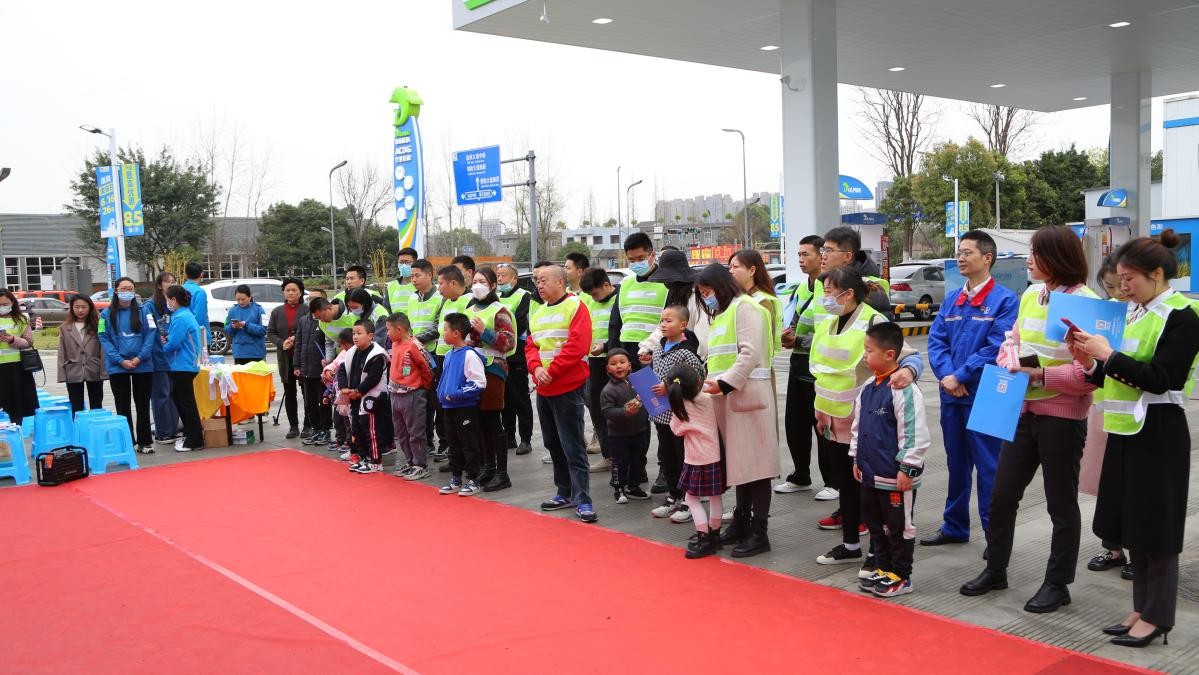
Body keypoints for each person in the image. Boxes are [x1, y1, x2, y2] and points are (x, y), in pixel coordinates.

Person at [960, 225, 1097, 614]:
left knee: (1060, 504)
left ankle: (1057, 583)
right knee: (1002, 495)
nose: (1029, 260)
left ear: (1057, 257)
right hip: (1021, 410)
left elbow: (1089, 376)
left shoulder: (1086, 303)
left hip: (1061, 416)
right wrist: (1009, 358)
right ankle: (996, 567)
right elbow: (1012, 341)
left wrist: (1039, 376)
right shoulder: (1031, 295)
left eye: (1036, 253)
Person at [1071, 231, 1197, 647]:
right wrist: (1090, 362)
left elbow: (1164, 379)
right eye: (1120, 278)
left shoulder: (1182, 316)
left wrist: (1108, 356)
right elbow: (1117, 376)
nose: (1122, 286)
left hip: (1159, 431)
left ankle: (1158, 615)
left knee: (1157, 529)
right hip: (1126, 430)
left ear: (1158, 274)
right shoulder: (1136, 313)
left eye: (1130, 278)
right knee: (1135, 526)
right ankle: (1142, 607)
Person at [811, 267, 924, 574]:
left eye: (829, 292)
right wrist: (819, 412)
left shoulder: (874, 320)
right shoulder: (828, 323)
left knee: (870, 492)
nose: (825, 298)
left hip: (867, 422)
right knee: (845, 486)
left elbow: (910, 355)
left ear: (848, 294)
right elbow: (822, 371)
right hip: (831, 420)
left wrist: (908, 372)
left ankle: (878, 552)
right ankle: (849, 545)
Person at [923, 231, 1019, 550]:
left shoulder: (1005, 300)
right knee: (957, 464)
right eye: (959, 252)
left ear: (987, 258)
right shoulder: (953, 299)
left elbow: (998, 346)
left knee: (991, 468)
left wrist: (962, 374)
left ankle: (996, 537)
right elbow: (936, 341)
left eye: (967, 252)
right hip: (954, 393)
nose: (961, 258)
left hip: (989, 393)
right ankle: (955, 526)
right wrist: (949, 375)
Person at [695, 264, 777, 558]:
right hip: (725, 397)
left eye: (708, 292)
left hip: (746, 396)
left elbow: (750, 352)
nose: (706, 298)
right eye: (702, 295)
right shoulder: (722, 313)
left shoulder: (747, 308)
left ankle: (759, 531)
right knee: (740, 465)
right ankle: (742, 521)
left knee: (757, 467)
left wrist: (727, 383)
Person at [851, 322, 930, 597]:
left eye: (869, 350)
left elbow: (914, 432)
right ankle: (883, 568)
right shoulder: (869, 386)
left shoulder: (904, 390)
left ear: (889, 354)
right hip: (871, 473)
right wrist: (856, 459)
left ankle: (902, 575)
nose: (864, 355)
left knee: (899, 526)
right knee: (876, 524)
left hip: (895, 475)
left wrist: (908, 468)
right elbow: (858, 427)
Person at [527, 264, 596, 523]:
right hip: (544, 387)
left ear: (560, 282)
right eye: (536, 281)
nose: (539, 285)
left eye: (543, 280)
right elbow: (531, 345)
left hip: (567, 386)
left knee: (573, 445)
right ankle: (563, 492)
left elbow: (577, 345)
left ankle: (583, 499)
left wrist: (551, 371)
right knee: (553, 443)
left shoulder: (576, 306)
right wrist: (536, 369)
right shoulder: (539, 312)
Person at [642, 249, 712, 494]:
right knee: (665, 433)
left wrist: (691, 362)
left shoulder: (695, 298)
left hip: (686, 370)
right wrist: (647, 347)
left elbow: (702, 339)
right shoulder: (673, 295)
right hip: (666, 374)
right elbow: (662, 327)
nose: (668, 283)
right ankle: (671, 483)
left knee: (683, 437)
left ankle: (688, 490)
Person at [1082, 256, 1132, 581]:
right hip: (1104, 408)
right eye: (1109, 287)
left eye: (1121, 285)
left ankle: (1138, 549)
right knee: (1106, 483)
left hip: (1137, 415)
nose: (1116, 294)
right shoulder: (1105, 313)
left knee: (1134, 487)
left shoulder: (1145, 316)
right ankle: (1112, 547)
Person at [778, 235, 830, 496]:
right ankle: (801, 475)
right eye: (798, 254)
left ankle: (832, 482)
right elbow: (794, 319)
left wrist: (797, 338)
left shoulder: (828, 287)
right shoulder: (801, 288)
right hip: (798, 361)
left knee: (821, 423)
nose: (800, 259)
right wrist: (789, 336)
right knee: (794, 421)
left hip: (819, 364)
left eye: (805, 254)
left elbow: (829, 330)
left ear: (822, 256)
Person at [647, 305, 706, 521]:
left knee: (684, 457)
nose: (663, 324)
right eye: (662, 320)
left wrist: (670, 384)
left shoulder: (686, 351)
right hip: (661, 415)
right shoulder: (659, 347)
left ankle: (691, 500)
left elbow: (695, 378)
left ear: (683, 325)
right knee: (668, 457)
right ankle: (674, 495)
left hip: (680, 415)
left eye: (669, 320)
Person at [465, 267, 517, 491]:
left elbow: (508, 343)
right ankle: (488, 466)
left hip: (493, 369)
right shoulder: (470, 307)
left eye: (482, 281)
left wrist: (484, 331)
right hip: (472, 370)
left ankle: (502, 473)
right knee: (481, 421)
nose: (477, 285)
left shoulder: (500, 310)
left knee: (493, 419)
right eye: (475, 281)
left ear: (493, 285)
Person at [666, 364, 724, 559]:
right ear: (698, 382)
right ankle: (715, 534)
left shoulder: (680, 407)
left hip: (696, 458)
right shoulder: (710, 399)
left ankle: (703, 536)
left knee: (691, 498)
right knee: (715, 496)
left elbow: (676, 430)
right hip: (716, 455)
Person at [99, 277, 156, 453]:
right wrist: (120, 360)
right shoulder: (105, 314)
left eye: (130, 288)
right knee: (122, 405)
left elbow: (151, 334)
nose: (127, 291)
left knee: (142, 404)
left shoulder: (144, 310)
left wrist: (140, 357)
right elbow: (103, 337)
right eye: (123, 288)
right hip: (118, 366)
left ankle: (145, 442)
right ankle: (126, 442)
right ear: (116, 290)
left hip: (143, 365)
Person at [436, 313, 486, 496]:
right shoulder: (449, 354)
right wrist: (442, 395)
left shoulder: (470, 355)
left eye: (446, 329)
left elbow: (479, 383)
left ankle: (473, 479)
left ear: (456, 333)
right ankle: (456, 478)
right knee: (453, 443)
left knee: (469, 443)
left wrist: (456, 394)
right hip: (449, 408)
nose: (443, 332)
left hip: (465, 407)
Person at [426, 266, 471, 471]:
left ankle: (465, 458)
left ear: (453, 283)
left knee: (460, 410)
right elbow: (438, 328)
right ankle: (453, 454)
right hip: (443, 358)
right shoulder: (445, 302)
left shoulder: (469, 301)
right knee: (443, 407)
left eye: (441, 283)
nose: (439, 287)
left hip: (461, 361)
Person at [608, 232, 668, 371]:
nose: (636, 264)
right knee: (627, 392)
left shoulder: (666, 283)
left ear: (652, 255)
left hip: (654, 353)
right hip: (626, 352)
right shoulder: (625, 283)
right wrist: (613, 353)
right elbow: (615, 323)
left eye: (641, 258)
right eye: (632, 260)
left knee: (649, 392)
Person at [386, 312, 434, 480]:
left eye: (389, 329)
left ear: (399, 329)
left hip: (412, 394)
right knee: (401, 432)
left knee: (415, 431)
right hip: (395, 394)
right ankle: (410, 461)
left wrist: (421, 387)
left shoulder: (414, 345)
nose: (387, 333)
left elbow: (428, 368)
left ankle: (420, 464)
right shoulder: (395, 344)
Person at [341, 319, 392, 474]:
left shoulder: (377, 354)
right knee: (357, 428)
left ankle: (375, 461)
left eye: (359, 333)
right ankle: (363, 458)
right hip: (355, 397)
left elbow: (373, 378)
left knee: (371, 430)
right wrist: (344, 388)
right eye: (353, 333)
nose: (355, 336)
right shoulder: (352, 352)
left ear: (370, 335)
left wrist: (359, 391)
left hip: (372, 398)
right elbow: (342, 370)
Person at [600, 349, 650, 504]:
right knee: (620, 462)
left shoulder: (638, 382)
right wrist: (624, 411)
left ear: (629, 365)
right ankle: (619, 488)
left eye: (622, 362)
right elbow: (607, 412)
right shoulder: (608, 390)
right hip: (618, 434)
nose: (618, 366)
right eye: (613, 364)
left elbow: (650, 393)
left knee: (638, 460)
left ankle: (634, 486)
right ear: (608, 368)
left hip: (640, 430)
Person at [581, 267, 618, 473]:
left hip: (617, 360)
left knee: (621, 410)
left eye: (595, 293)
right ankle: (608, 455)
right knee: (597, 408)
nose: (593, 299)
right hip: (594, 362)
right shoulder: (588, 301)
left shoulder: (620, 299)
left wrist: (606, 346)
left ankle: (624, 456)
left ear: (606, 285)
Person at [311, 297, 359, 453]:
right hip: (340, 363)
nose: (321, 321)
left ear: (329, 308)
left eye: (321, 316)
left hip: (355, 362)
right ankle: (342, 438)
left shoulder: (352, 315)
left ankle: (353, 441)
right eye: (318, 318)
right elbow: (330, 342)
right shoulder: (322, 322)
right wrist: (329, 360)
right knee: (339, 406)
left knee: (351, 410)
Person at [161, 285, 204, 453]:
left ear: (173, 300)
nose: (167, 303)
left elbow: (173, 343)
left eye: (168, 299)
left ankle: (195, 439)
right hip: (184, 364)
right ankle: (190, 435)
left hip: (182, 365)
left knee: (186, 403)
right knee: (182, 400)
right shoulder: (184, 315)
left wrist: (162, 344)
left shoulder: (181, 318)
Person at [497, 263, 535, 456]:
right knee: (504, 399)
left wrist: (499, 335)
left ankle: (526, 438)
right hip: (500, 355)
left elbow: (519, 323)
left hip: (517, 355)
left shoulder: (524, 296)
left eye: (503, 276)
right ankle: (509, 436)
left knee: (520, 397)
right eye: (498, 276)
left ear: (514, 278)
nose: (500, 279)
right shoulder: (496, 298)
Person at [267, 278, 308, 438]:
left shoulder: (306, 310)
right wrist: (281, 342)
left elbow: (309, 330)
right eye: (287, 290)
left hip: (303, 357)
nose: (291, 293)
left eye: (294, 290)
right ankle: (293, 426)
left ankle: (308, 425)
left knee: (306, 392)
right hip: (285, 358)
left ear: (300, 292)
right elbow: (270, 332)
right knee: (289, 392)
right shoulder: (277, 311)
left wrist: (295, 340)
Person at [820, 227, 890, 312]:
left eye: (829, 250)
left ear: (847, 256)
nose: (823, 256)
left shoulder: (869, 289)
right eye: (823, 250)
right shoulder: (823, 280)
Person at [729, 249, 783, 356]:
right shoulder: (733, 298)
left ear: (752, 270)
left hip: (755, 367)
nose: (731, 271)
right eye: (729, 267)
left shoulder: (762, 301)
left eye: (735, 267)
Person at [58, 294, 105, 415]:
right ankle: (78, 431)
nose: (80, 310)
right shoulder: (65, 328)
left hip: (94, 369)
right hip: (73, 369)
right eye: (77, 307)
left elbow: (103, 349)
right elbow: (62, 352)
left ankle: (95, 430)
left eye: (84, 307)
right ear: (72, 308)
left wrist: (104, 371)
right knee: (76, 406)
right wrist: (62, 374)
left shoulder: (99, 324)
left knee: (96, 404)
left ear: (90, 307)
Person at [148, 272, 180, 446]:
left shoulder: (175, 305)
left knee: (173, 395)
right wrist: (158, 337)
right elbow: (149, 329)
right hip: (158, 357)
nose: (171, 284)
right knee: (161, 395)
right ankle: (163, 432)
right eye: (167, 281)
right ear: (159, 286)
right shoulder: (150, 306)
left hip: (174, 358)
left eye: (173, 281)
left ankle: (174, 430)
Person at [294, 295, 331, 447]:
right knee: (309, 403)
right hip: (306, 369)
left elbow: (329, 344)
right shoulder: (303, 320)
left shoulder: (325, 321)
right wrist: (297, 365)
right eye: (310, 299)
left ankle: (325, 430)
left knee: (323, 401)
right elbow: (299, 343)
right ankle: (315, 429)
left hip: (321, 370)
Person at [0, 289, 39, 426]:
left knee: (17, 404)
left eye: (5, 304)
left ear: (12, 303)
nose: (2, 307)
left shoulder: (22, 319)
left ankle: (16, 431)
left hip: (18, 368)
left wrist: (11, 339)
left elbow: (28, 342)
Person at [322, 328, 357, 457]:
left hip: (352, 394)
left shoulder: (357, 353)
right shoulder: (343, 353)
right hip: (341, 396)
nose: (341, 347)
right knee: (343, 421)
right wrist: (328, 370)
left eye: (344, 345)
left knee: (353, 424)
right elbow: (335, 364)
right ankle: (348, 444)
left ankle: (353, 445)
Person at [225, 284, 268, 365]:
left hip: (256, 353)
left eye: (243, 299)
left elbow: (263, 330)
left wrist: (246, 325)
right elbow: (227, 330)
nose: (240, 302)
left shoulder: (259, 309)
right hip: (239, 353)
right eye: (238, 299)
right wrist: (232, 326)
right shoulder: (232, 310)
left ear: (250, 297)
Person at [182, 261, 209, 354]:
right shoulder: (200, 292)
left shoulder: (179, 289)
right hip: (198, 337)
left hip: (182, 334)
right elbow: (199, 317)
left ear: (185, 275)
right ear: (202, 274)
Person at [385, 247, 419, 314]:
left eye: (407, 262)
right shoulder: (391, 286)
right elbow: (386, 310)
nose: (403, 265)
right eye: (401, 262)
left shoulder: (420, 284)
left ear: (415, 263)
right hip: (394, 323)